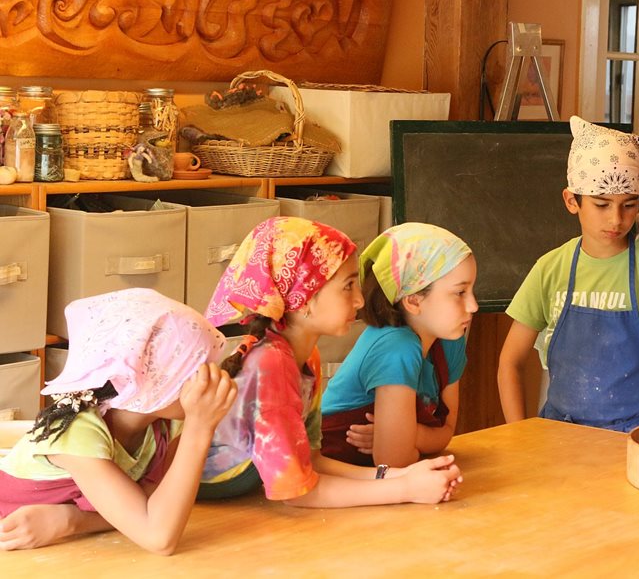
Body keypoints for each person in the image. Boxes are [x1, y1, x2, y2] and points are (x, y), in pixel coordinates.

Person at [200, 216, 462, 506]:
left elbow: (312, 462)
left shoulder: (304, 356)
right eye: (348, 286)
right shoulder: (270, 366)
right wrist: (406, 490)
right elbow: (299, 493)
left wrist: (398, 475)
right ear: (305, 298)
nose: (361, 300)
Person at [497, 116, 639, 432]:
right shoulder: (550, 268)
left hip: (635, 436)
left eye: (629, 205)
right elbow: (510, 362)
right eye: (601, 204)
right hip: (558, 434)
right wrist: (520, 435)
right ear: (571, 201)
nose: (616, 219)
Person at [0, 288, 236, 553]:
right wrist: (201, 428)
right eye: (196, 369)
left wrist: (71, 521)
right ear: (150, 382)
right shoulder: (77, 435)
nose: (211, 377)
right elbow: (158, 537)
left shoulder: (165, 424)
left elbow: (153, 507)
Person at [321, 222, 477, 467]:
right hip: (337, 477)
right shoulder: (397, 347)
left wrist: (408, 435)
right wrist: (407, 443)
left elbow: (446, 434)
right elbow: (395, 460)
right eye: (460, 293)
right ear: (413, 301)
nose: (474, 306)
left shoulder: (450, 343)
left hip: (382, 483)